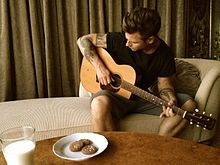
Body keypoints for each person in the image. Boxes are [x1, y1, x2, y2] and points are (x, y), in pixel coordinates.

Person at [77, 7, 197, 137]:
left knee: (189, 104)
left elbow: (164, 85)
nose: (127, 44)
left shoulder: (165, 54)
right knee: (98, 103)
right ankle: (114, 153)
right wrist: (100, 68)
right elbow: (83, 40)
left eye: (133, 42)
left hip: (141, 97)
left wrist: (170, 101)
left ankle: (159, 145)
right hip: (115, 98)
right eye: (127, 38)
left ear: (150, 40)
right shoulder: (120, 40)